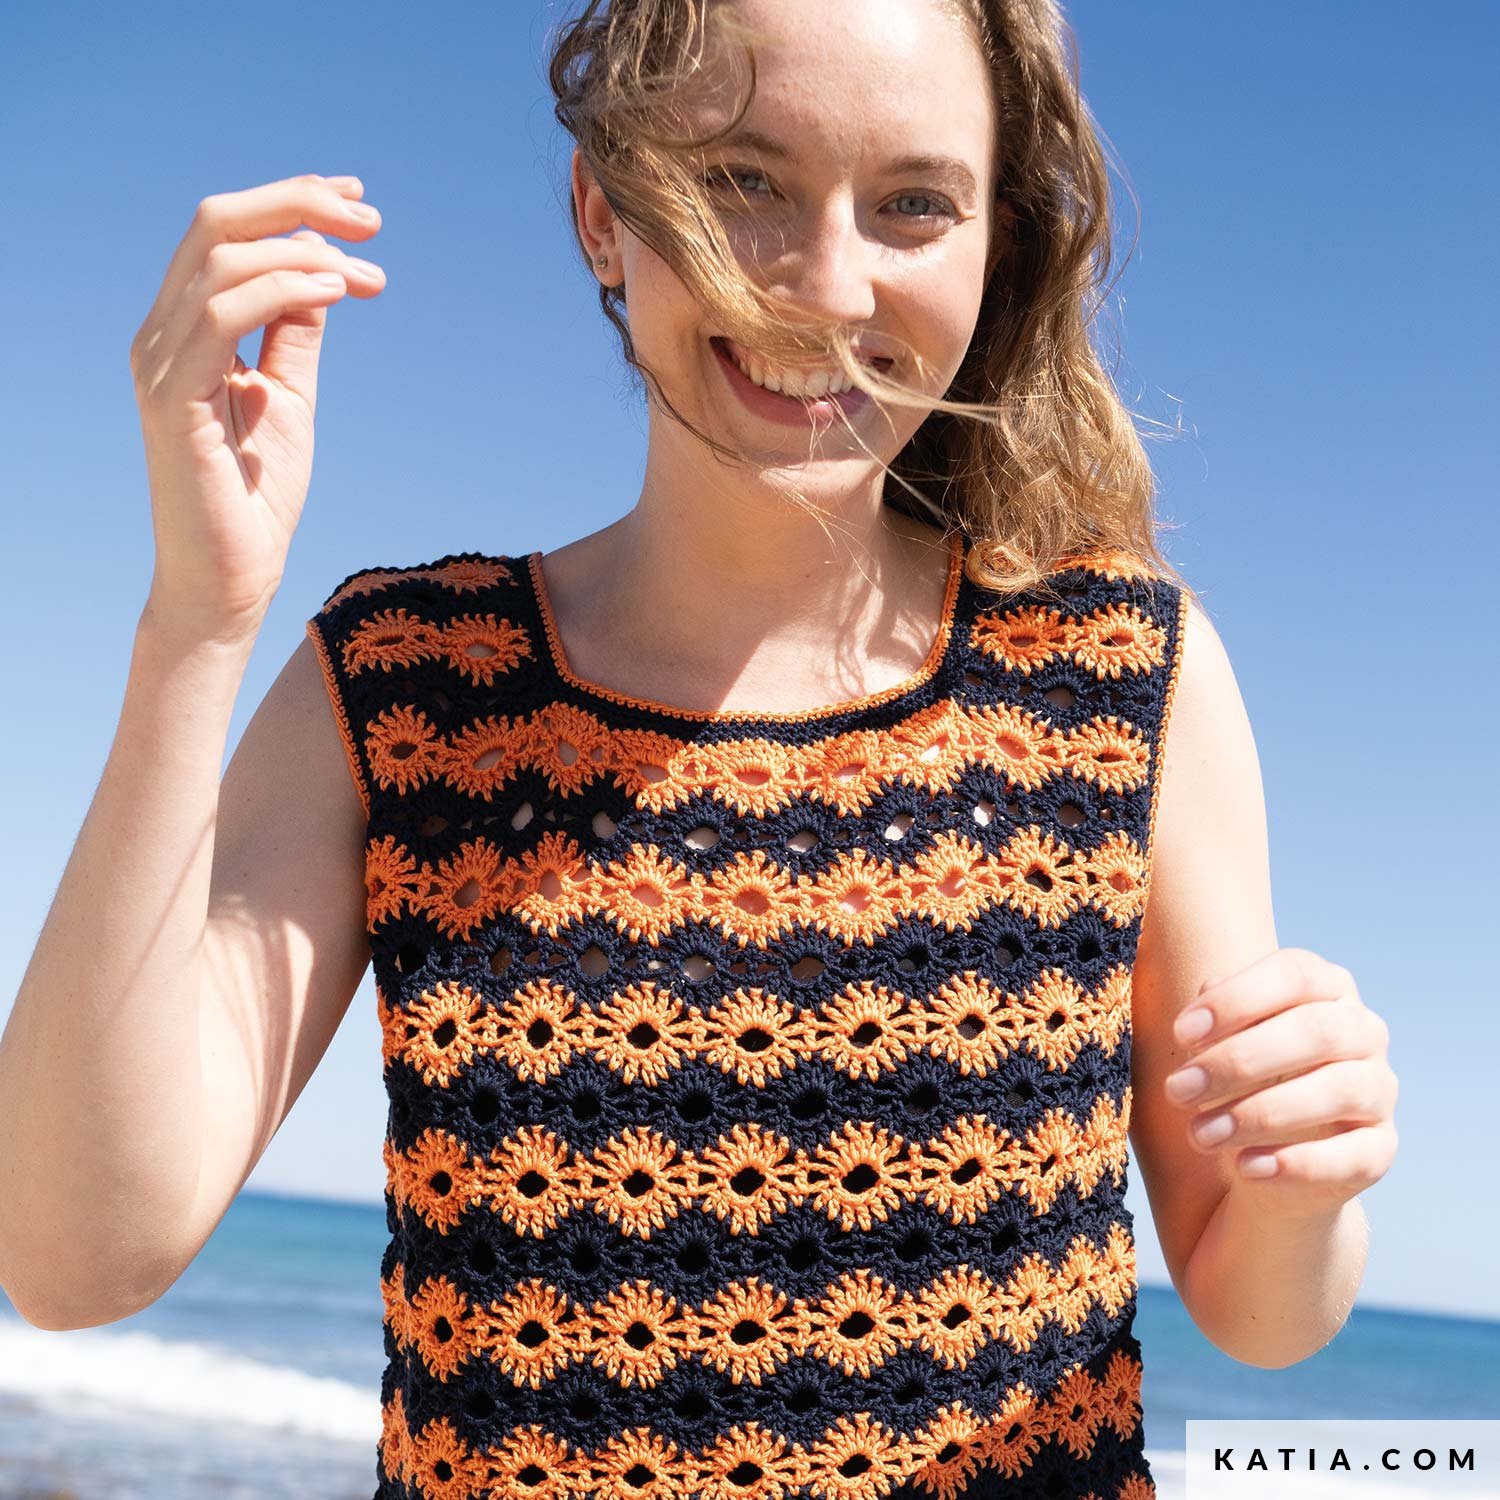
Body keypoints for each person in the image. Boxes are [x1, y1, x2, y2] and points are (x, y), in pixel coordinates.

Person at [0, 0, 1398, 1496]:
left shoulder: (1118, 674)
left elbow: (1262, 1312)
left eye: (914, 204)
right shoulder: (408, 687)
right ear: (604, 214)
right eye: (745, 180)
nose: (829, 284)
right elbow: (73, 1258)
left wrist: (1307, 1181)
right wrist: (198, 620)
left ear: (995, 247)